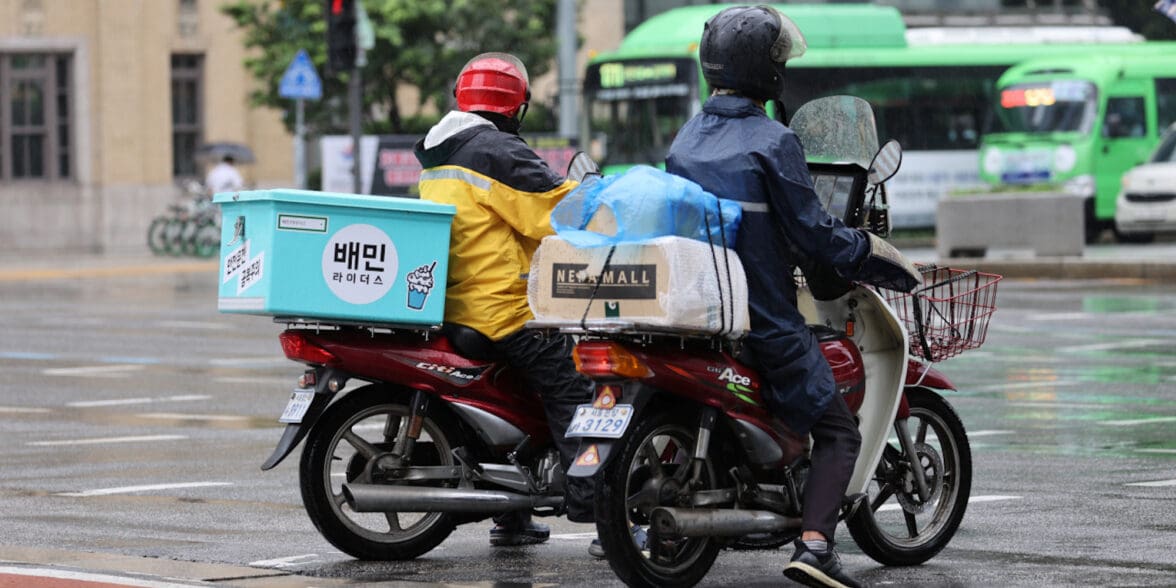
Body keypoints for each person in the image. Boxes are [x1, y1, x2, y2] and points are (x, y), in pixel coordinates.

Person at [664, 7, 921, 588]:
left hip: (697, 313)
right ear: (766, 70)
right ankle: (815, 546)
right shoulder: (774, 141)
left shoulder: (687, 138)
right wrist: (872, 252)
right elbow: (813, 234)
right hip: (763, 320)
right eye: (779, 58)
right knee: (838, 431)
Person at [413, 52, 597, 550]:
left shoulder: (439, 147)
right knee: (574, 387)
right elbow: (557, 213)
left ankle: (511, 517)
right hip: (504, 307)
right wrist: (596, 195)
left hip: (456, 301)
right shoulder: (499, 152)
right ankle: (596, 503)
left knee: (520, 395)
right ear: (517, 106)